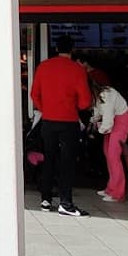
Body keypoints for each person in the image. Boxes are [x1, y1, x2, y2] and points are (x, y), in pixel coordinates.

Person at [30, 35, 92, 215]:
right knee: (67, 162)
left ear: (56, 49)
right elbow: (85, 102)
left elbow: (34, 94)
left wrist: (46, 108)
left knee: (49, 159)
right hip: (68, 122)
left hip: (48, 121)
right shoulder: (77, 70)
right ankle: (65, 203)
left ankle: (45, 199)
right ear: (72, 50)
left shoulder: (43, 67)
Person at [90, 73, 128, 201]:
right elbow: (98, 112)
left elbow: (108, 121)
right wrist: (93, 120)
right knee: (108, 154)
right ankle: (111, 187)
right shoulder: (99, 95)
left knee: (113, 156)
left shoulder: (106, 94)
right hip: (114, 121)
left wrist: (98, 131)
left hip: (121, 121)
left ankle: (117, 193)